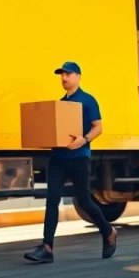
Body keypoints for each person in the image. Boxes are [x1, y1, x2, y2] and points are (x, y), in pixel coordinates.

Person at [25, 62, 117, 264]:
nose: (64, 78)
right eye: (61, 75)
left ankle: (108, 231)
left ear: (78, 76)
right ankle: (47, 247)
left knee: (85, 201)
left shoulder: (87, 100)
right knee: (52, 200)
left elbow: (98, 127)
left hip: (78, 158)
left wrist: (84, 139)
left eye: (68, 74)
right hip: (58, 158)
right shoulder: (60, 104)